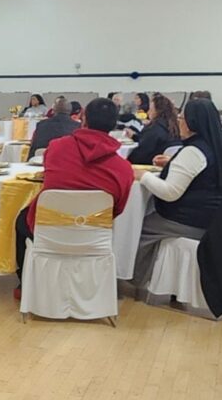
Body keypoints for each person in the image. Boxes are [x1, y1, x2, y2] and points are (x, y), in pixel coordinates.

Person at [14, 97, 134, 287]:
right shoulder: (124, 169)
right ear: (113, 125)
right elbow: (117, 210)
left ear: (83, 119)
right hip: (93, 235)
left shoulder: (56, 148)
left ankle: (26, 285)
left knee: (21, 219)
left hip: (48, 229)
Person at [132, 97, 222, 291]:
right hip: (210, 216)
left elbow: (170, 193)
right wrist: (172, 163)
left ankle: (132, 278)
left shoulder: (193, 151)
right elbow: (202, 174)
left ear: (191, 123)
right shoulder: (216, 145)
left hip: (189, 219)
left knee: (137, 228)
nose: (178, 122)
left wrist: (143, 175)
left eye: (181, 118)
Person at [126, 94, 181, 164]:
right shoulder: (174, 127)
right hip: (167, 165)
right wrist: (134, 136)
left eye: (150, 109)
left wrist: (125, 160)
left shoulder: (154, 128)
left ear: (157, 111)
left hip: (152, 163)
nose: (148, 112)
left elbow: (141, 153)